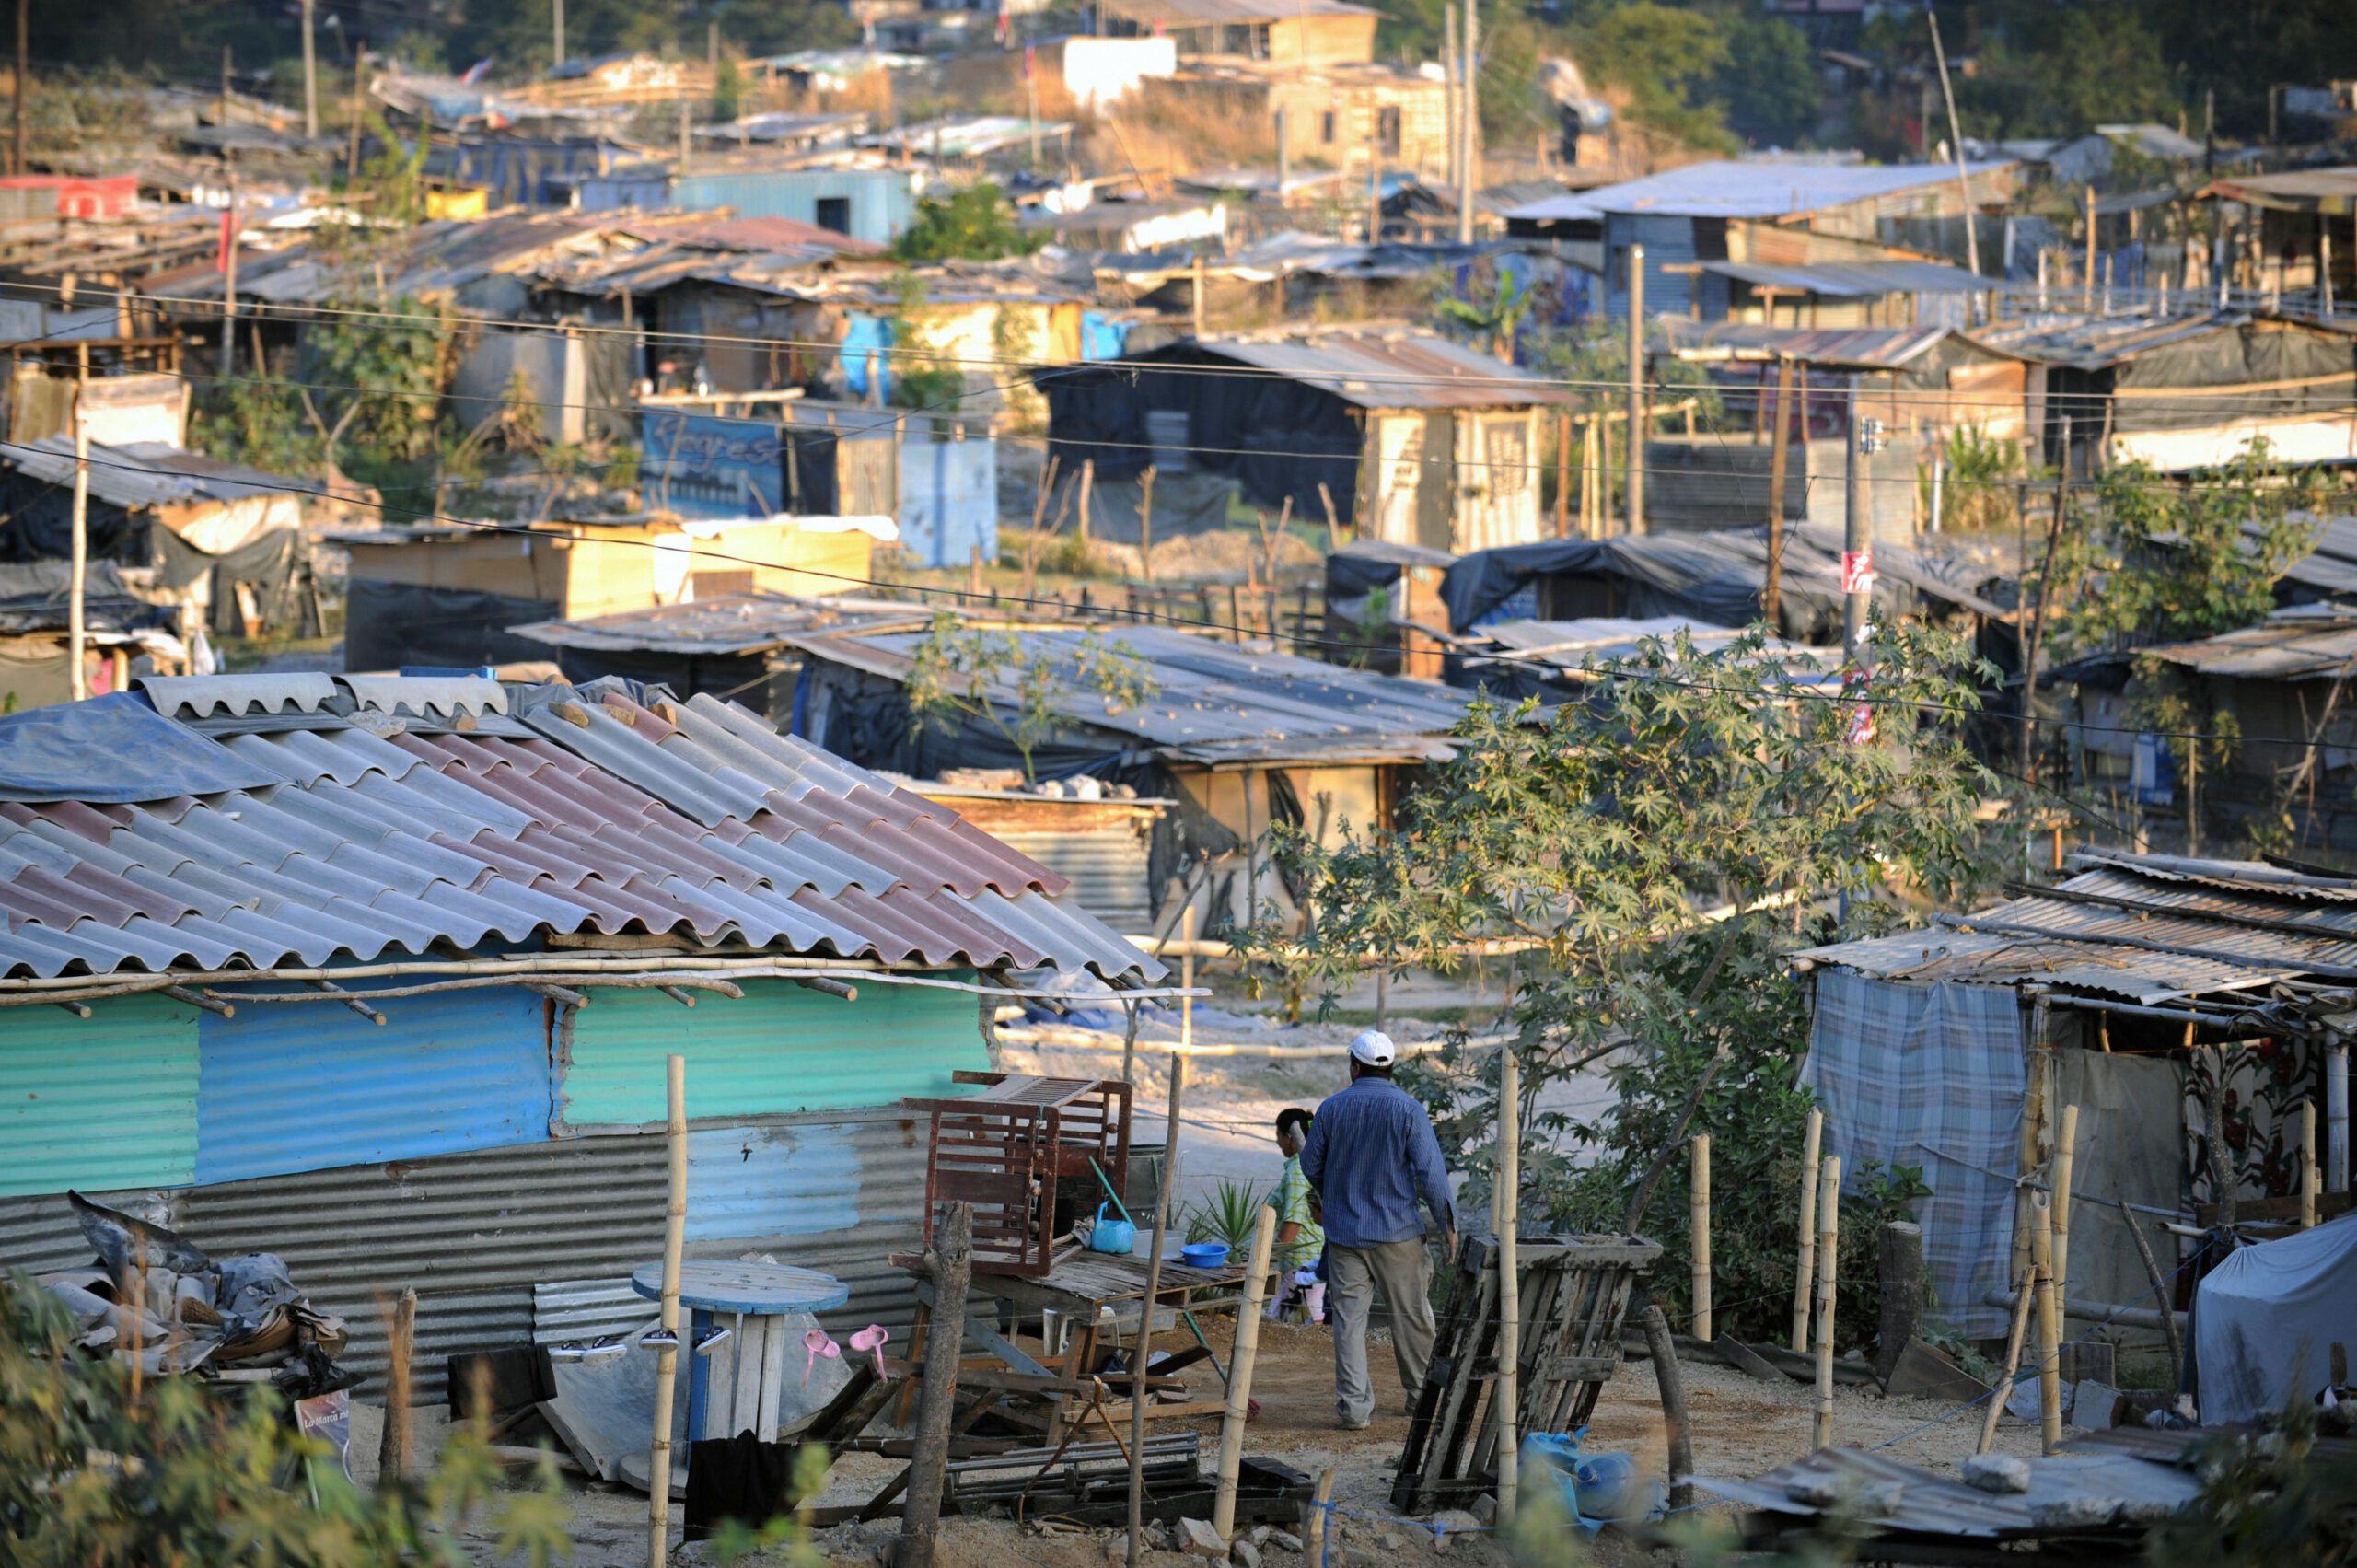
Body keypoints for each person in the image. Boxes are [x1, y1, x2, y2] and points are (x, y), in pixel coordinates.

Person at [1297, 1029, 1457, 1430]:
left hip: (1346, 1237)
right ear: (1391, 1068)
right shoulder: (1408, 1110)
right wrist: (1449, 1225)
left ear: (1354, 1066)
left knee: (1349, 1324)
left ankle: (1354, 1410)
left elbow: (1309, 1164)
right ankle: (1420, 1400)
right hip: (1398, 1235)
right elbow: (1431, 1173)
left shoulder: (1332, 1109)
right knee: (1412, 1318)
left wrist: (1333, 1193)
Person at [1267, 1108, 1326, 1323]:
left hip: (1299, 1263)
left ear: (1289, 1137)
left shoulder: (1297, 1171)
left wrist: (1268, 1259)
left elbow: (1293, 1220)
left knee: (1292, 1327)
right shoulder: (1312, 1163)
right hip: (1311, 1257)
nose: (1278, 1142)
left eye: (1278, 1136)